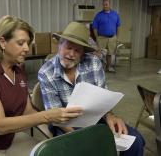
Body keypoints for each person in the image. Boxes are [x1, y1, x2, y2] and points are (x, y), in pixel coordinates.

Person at [0, 15, 82, 156]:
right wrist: (47, 116)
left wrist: (54, 137)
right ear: (2, 43)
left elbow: (28, 111)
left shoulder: (18, 71)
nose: (26, 48)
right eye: (20, 43)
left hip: (9, 140)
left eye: (28, 43)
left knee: (47, 152)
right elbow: (0, 126)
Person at [38, 21, 145, 156]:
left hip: (95, 117)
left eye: (77, 50)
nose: (71, 54)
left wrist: (111, 116)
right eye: (68, 47)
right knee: (92, 150)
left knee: (135, 141)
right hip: (65, 124)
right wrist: (86, 138)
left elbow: (103, 99)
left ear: (83, 53)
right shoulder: (46, 72)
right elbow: (56, 117)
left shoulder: (93, 63)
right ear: (59, 45)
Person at [92, 0, 121, 73]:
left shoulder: (115, 14)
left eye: (106, 4)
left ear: (109, 5)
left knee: (109, 54)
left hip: (112, 38)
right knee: (99, 53)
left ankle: (108, 67)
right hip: (101, 38)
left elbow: (118, 26)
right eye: (104, 4)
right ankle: (99, 68)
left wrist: (117, 37)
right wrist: (97, 37)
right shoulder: (99, 15)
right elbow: (94, 27)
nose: (105, 6)